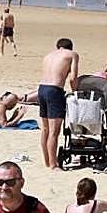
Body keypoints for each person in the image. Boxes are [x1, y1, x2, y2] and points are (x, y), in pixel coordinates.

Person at [37, 39, 79, 169]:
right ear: (70, 48)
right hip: (55, 90)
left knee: (45, 130)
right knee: (54, 132)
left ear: (57, 47)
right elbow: (73, 77)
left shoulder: (48, 56)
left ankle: (47, 161)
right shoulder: (72, 55)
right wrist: (75, 92)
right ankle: (53, 165)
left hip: (42, 89)